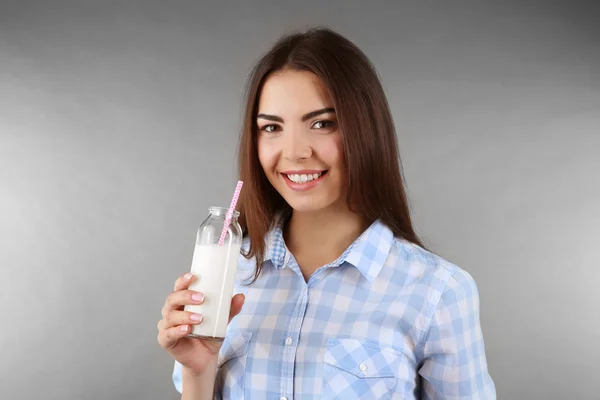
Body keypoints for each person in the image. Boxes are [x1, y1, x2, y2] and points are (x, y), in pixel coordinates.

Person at [157, 27, 496, 399]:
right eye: (272, 127)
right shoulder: (228, 275)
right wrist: (197, 372)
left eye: (321, 123)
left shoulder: (438, 292)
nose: (294, 152)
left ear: (364, 129)